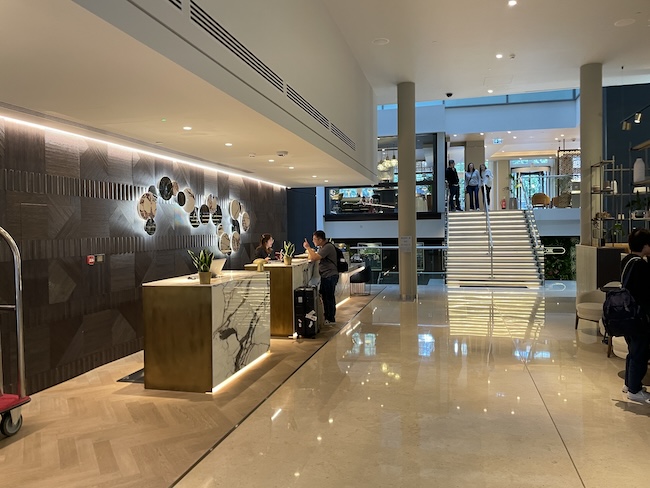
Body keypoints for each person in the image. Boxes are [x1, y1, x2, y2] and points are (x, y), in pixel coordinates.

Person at [621, 228, 650, 404]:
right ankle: (634, 389)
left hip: (627, 314)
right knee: (640, 352)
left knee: (633, 351)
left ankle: (629, 384)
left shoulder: (627, 260)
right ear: (645, 245)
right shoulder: (640, 265)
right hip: (639, 315)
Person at [303, 230, 339, 324]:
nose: (313, 241)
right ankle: (328, 317)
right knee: (326, 297)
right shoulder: (323, 247)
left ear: (320, 239)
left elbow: (314, 257)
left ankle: (330, 318)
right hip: (326, 275)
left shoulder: (327, 247)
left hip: (329, 275)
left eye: (314, 239)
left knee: (328, 297)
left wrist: (308, 247)